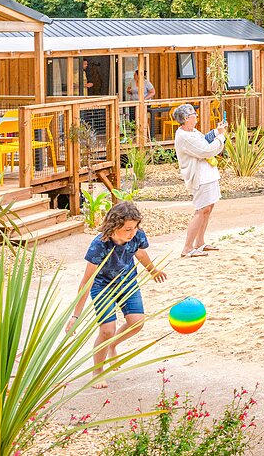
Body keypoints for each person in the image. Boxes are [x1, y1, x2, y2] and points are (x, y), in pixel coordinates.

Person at [68, 201, 167, 387]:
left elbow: (140, 254)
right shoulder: (100, 245)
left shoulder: (136, 236)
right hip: (103, 286)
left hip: (127, 283)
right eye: (128, 229)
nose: (133, 233)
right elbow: (86, 281)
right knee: (107, 330)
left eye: (135, 227)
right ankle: (97, 372)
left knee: (137, 322)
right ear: (114, 226)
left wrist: (153, 271)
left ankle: (113, 345)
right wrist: (75, 315)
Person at [172, 102, 227, 258]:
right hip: (200, 177)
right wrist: (221, 137)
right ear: (186, 118)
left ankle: (200, 243)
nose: (196, 116)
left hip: (208, 174)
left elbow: (204, 140)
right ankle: (187, 248)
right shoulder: (184, 136)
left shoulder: (192, 132)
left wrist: (216, 131)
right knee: (201, 210)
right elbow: (206, 150)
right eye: (193, 114)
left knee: (208, 208)